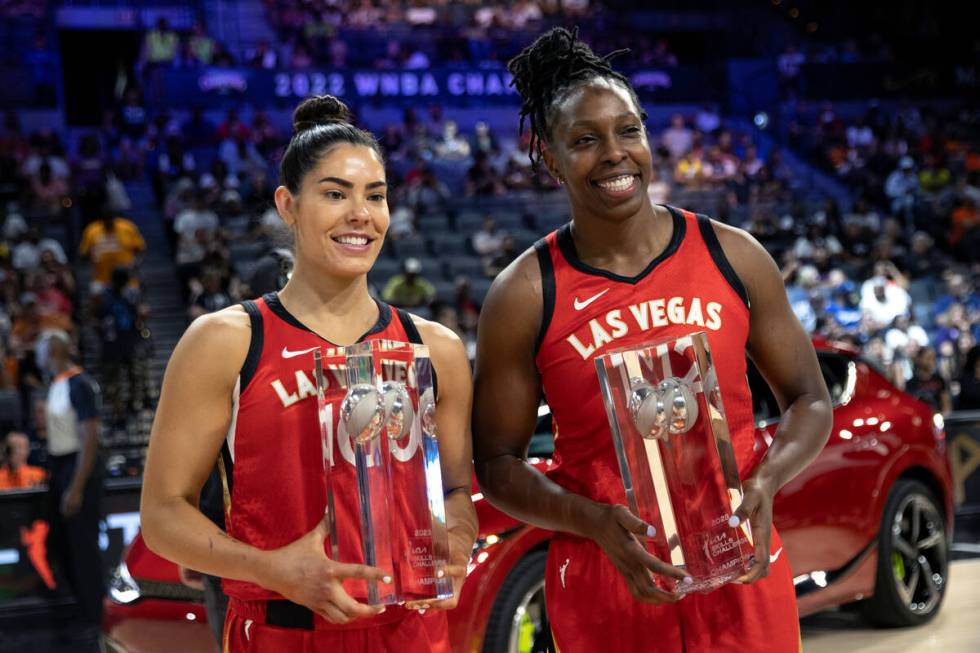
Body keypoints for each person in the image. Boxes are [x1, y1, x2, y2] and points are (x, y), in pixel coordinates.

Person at [472, 29, 832, 653]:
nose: (614, 153)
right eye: (585, 140)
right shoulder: (524, 293)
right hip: (606, 575)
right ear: (550, 157)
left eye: (628, 131)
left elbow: (811, 400)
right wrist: (592, 520)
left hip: (740, 562)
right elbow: (497, 465)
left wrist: (767, 480)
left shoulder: (733, 254)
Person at [140, 95, 477, 652]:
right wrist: (273, 568)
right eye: (335, 194)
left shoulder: (434, 347)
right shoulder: (226, 341)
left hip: (414, 634)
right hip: (281, 632)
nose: (360, 215)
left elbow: (458, 488)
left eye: (375, 196)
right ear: (288, 205)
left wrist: (458, 540)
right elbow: (161, 514)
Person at [37, 329, 105, 651]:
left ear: (54, 351)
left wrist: (76, 487)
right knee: (64, 548)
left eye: (42, 349)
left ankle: (96, 621)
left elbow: (90, 435)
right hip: (60, 468)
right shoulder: (56, 385)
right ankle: (84, 611)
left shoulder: (80, 383)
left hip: (79, 470)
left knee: (84, 550)